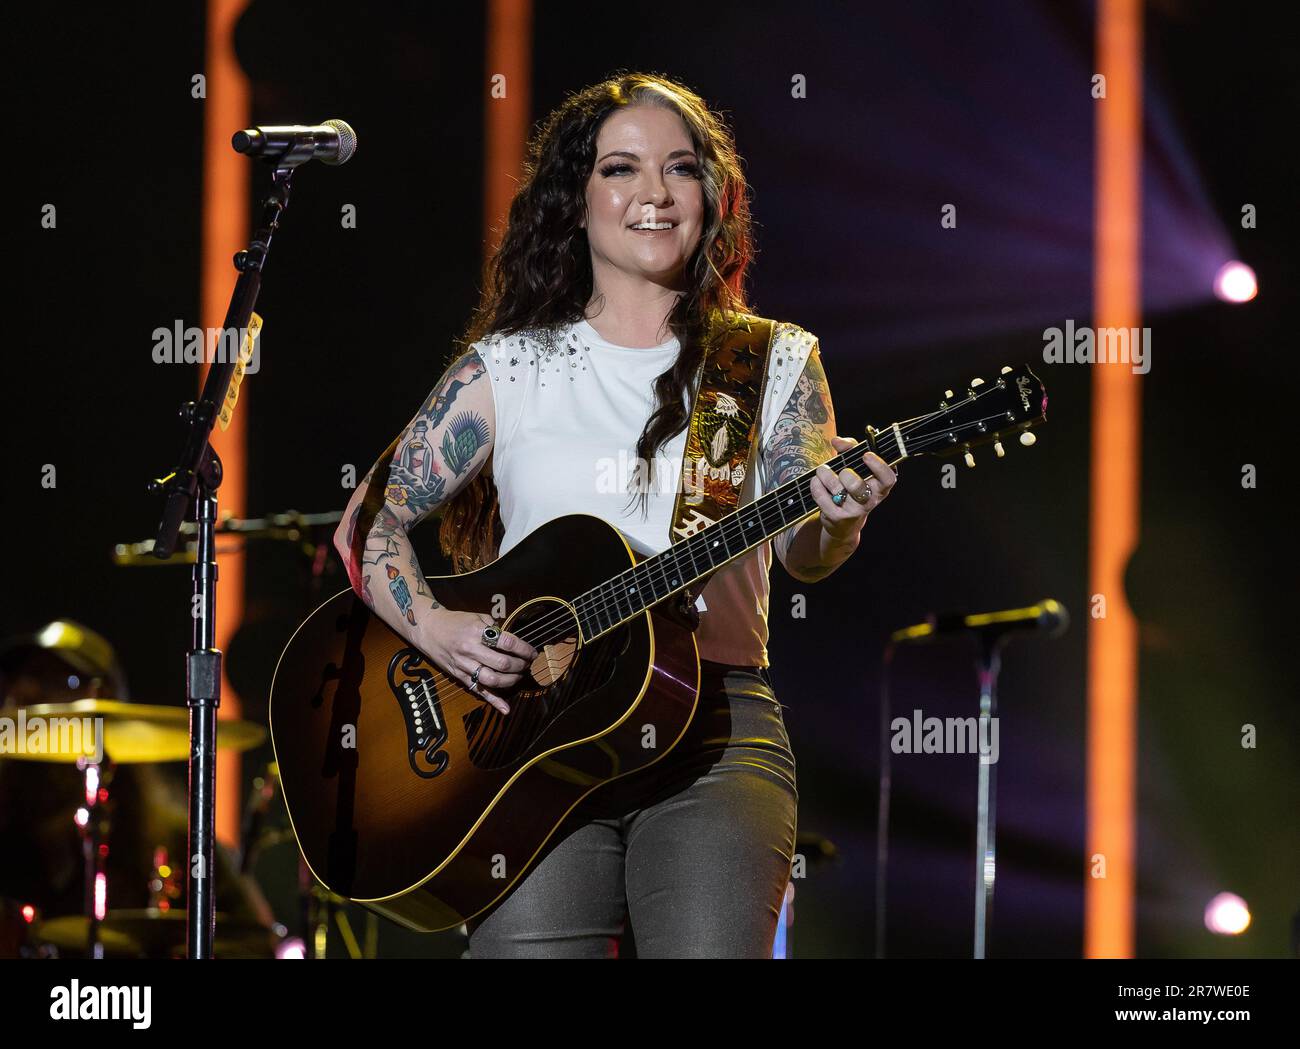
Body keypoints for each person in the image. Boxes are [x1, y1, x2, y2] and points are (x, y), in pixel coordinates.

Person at [333, 72, 896, 958]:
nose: (654, 194)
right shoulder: (510, 368)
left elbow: (804, 552)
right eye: (622, 169)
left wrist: (840, 517)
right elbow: (367, 523)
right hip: (532, 741)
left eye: (680, 169)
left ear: (712, 198)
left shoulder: (769, 360)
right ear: (578, 198)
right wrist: (437, 627)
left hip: (713, 728)